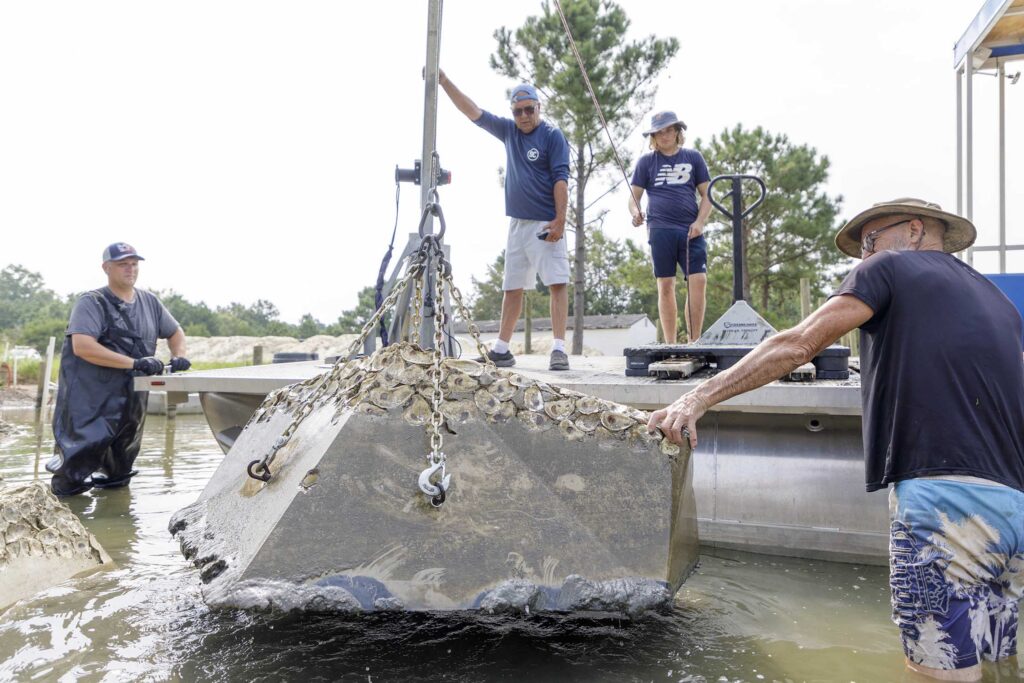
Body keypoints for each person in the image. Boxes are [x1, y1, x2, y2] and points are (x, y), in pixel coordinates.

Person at [649, 198, 1024, 680]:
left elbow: (798, 344)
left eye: (869, 241)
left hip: (945, 506)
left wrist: (696, 398)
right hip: (1013, 510)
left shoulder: (890, 268)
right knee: (998, 665)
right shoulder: (996, 298)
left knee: (938, 670)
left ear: (913, 230)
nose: (863, 259)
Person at [439, 71, 572, 370]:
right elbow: (472, 111)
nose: (523, 116)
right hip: (517, 224)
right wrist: (445, 81)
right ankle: (501, 348)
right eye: (517, 111)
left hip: (545, 222)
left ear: (539, 108)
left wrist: (560, 220)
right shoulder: (509, 131)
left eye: (529, 109)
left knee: (556, 282)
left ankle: (559, 348)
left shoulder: (552, 136)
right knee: (512, 285)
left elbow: (561, 179)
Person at [49, 242, 190, 496]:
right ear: (106, 267)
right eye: (123, 264)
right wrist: (135, 363)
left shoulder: (150, 302)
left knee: (119, 475)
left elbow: (176, 332)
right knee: (72, 476)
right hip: (88, 406)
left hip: (131, 404)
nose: (130, 269)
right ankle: (64, 524)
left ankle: (114, 530)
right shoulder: (91, 302)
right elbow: (83, 346)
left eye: (134, 264)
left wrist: (178, 356)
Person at [629, 110, 712, 343]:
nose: (664, 135)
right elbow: (634, 197)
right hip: (660, 229)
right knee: (665, 284)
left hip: (690, 230)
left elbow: (708, 195)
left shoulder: (693, 157)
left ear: (677, 132)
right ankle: (670, 343)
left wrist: (700, 221)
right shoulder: (646, 162)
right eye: (659, 132)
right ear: (653, 136)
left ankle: (694, 341)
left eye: (669, 130)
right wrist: (636, 213)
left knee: (699, 280)